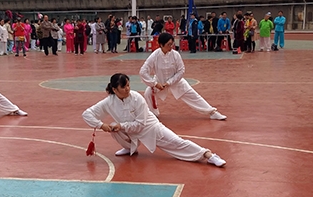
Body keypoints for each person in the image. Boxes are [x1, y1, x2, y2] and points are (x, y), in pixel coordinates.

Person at [82, 73, 226, 166]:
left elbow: (140, 125)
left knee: (177, 142)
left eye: (128, 85)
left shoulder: (137, 98)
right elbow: (87, 114)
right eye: (124, 87)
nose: (127, 89)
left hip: (150, 128)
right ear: (114, 89)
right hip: (128, 131)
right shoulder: (109, 101)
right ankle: (129, 148)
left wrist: (121, 125)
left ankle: (208, 155)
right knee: (113, 128)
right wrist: (101, 125)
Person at [140, 32, 227, 121]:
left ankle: (212, 112)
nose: (171, 47)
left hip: (176, 81)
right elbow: (143, 71)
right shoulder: (154, 56)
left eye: (172, 44)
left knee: (194, 95)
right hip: (159, 82)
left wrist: (169, 82)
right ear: (161, 45)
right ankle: (154, 114)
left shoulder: (175, 55)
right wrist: (154, 83)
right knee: (148, 93)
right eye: (168, 45)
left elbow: (181, 71)